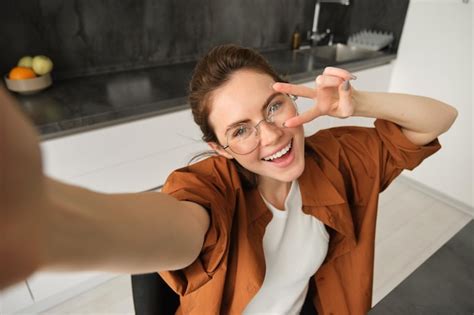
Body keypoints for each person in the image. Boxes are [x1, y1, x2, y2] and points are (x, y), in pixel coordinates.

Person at [0, 44, 457, 315]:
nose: (272, 134)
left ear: (292, 97)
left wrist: (356, 104)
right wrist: (40, 222)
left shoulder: (336, 157)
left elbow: (439, 119)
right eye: (241, 130)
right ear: (220, 148)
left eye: (274, 107)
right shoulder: (209, 188)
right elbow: (168, 227)